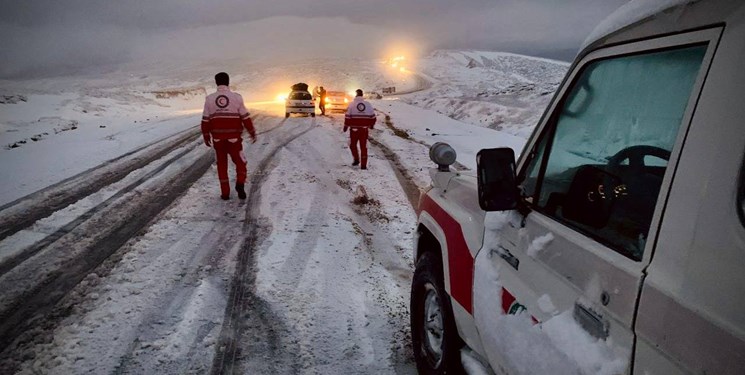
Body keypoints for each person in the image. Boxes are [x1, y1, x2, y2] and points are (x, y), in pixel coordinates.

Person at [201, 72, 257, 200]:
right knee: (240, 162)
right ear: (228, 82)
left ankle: (225, 193)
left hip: (218, 139)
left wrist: (206, 135)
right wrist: (252, 132)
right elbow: (245, 117)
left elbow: (205, 120)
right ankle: (240, 183)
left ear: (216, 83)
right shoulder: (237, 97)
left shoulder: (209, 99)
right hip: (234, 139)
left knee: (222, 165)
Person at [343, 89, 376, 169]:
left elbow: (347, 117)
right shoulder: (368, 105)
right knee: (363, 147)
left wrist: (346, 126)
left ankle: (356, 159)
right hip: (364, 130)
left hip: (354, 130)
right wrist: (371, 125)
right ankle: (363, 165)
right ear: (362, 96)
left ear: (356, 96)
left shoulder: (351, 104)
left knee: (353, 145)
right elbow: (373, 117)